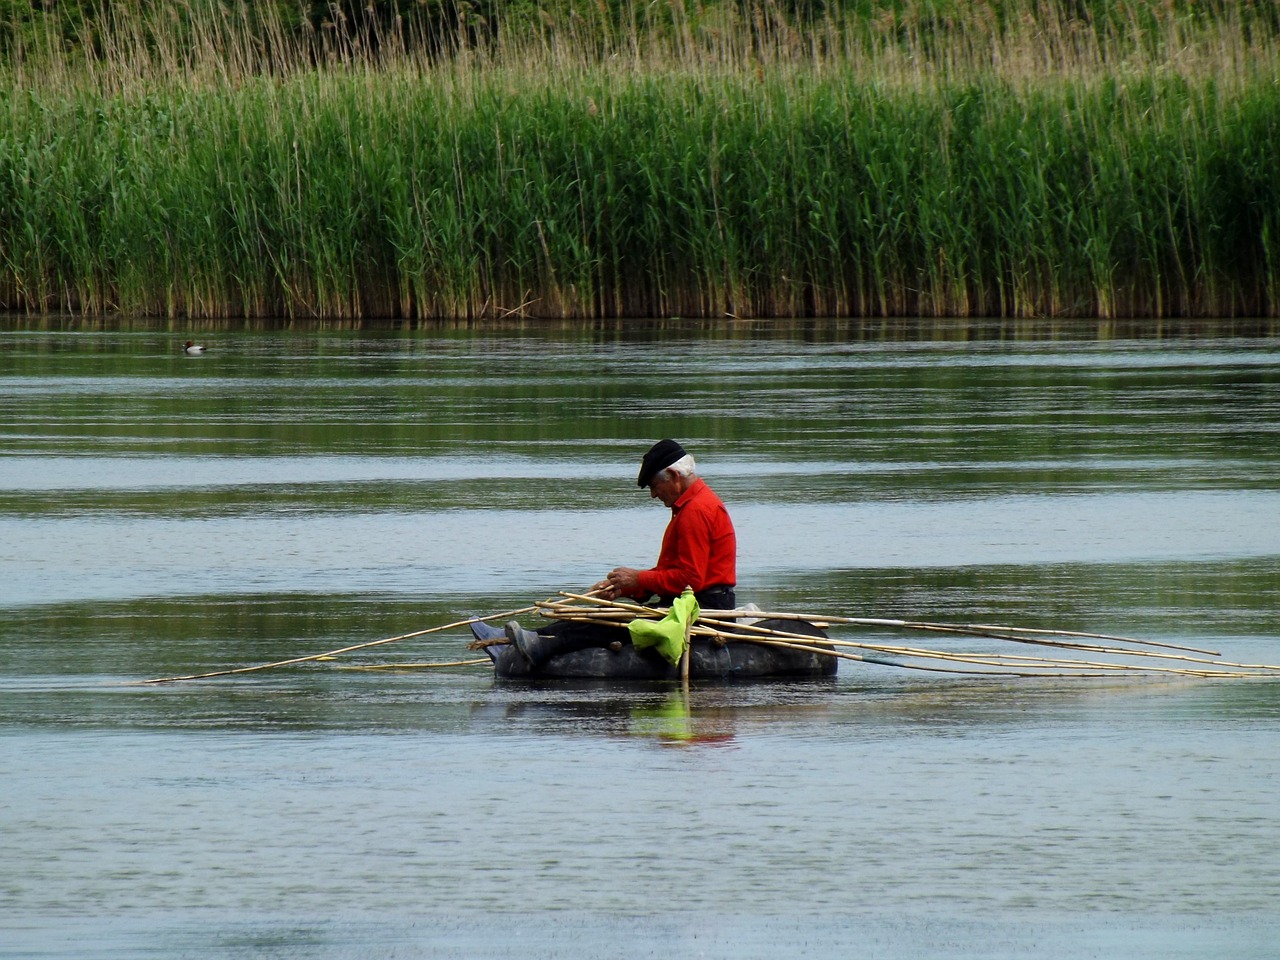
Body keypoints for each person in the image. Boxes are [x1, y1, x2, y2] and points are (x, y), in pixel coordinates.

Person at [471, 439, 737, 667]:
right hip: (685, 605)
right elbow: (674, 573)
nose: (654, 495)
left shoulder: (696, 511)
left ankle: (531, 645)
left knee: (602, 624)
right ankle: (518, 640)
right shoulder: (689, 508)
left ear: (674, 476)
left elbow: (690, 580)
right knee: (594, 615)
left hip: (703, 611)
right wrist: (627, 588)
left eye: (655, 486)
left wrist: (639, 579)